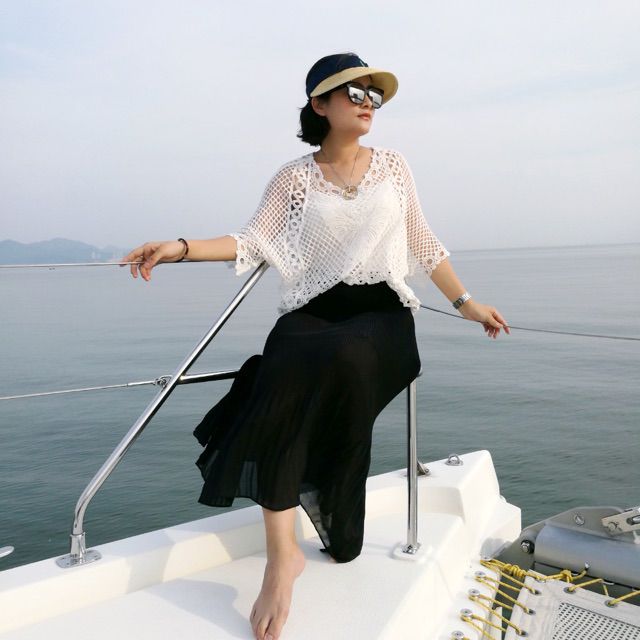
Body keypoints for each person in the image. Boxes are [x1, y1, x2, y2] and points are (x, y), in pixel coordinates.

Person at [122, 52, 509, 640]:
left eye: (374, 96)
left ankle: (315, 515)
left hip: (381, 315)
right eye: (354, 93)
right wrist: (178, 247)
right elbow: (252, 239)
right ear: (319, 104)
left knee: (336, 358)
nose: (368, 104)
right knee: (282, 361)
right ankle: (283, 556)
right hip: (314, 314)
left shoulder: (394, 166)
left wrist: (467, 304)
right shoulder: (293, 178)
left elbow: (422, 242)